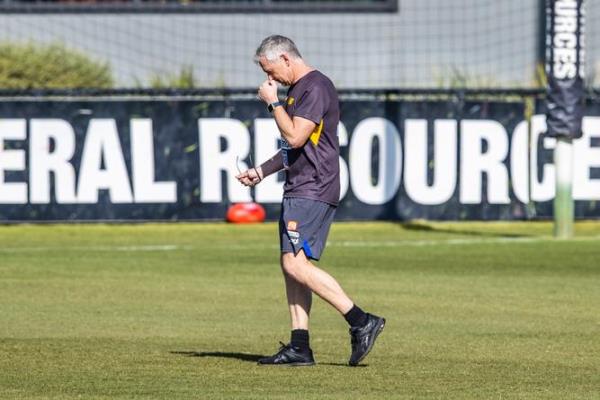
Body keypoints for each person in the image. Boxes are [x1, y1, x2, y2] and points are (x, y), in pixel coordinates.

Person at [236, 35, 385, 367]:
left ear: (286, 58)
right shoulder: (298, 91)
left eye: (270, 69)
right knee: (292, 267)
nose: (269, 78)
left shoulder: (315, 86)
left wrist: (273, 103)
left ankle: (361, 320)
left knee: (295, 264)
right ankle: (299, 346)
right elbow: (294, 149)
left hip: (313, 188)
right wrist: (261, 171)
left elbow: (295, 135)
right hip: (300, 186)